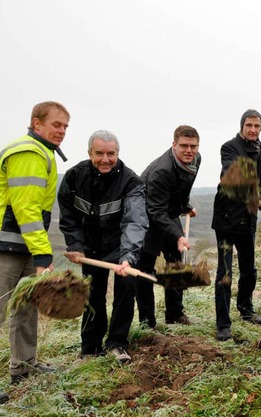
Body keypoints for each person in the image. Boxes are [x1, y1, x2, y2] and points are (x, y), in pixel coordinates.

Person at [0, 101, 70, 400]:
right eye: (57, 125)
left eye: (66, 127)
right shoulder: (28, 152)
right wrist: (43, 254)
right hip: (7, 246)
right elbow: (25, 209)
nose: (62, 131)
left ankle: (24, 366)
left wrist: (37, 251)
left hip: (23, 245)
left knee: (25, 307)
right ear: (37, 123)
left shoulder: (44, 152)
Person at [58, 130, 148, 362]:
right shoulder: (74, 177)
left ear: (118, 153)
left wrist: (128, 255)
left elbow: (135, 220)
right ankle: (90, 348)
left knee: (126, 290)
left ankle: (117, 343)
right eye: (99, 153)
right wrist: (76, 244)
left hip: (121, 244)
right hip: (90, 246)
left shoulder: (131, 181)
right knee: (92, 293)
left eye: (111, 153)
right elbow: (68, 215)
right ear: (89, 153)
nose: (105, 159)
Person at [212, 109, 261, 341]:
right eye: (249, 125)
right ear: (242, 126)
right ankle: (223, 324)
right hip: (226, 219)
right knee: (225, 273)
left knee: (249, 270)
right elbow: (231, 173)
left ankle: (246, 309)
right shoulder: (229, 147)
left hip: (248, 219)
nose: (253, 129)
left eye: (257, 126)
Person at [135, 125, 201, 328]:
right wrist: (178, 236)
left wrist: (184, 207)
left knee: (176, 262)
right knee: (145, 270)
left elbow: (180, 189)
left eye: (193, 146)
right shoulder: (161, 171)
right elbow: (155, 211)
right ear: (174, 145)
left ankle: (174, 314)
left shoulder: (196, 159)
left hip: (167, 213)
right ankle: (147, 322)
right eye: (184, 146)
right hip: (146, 217)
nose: (189, 150)